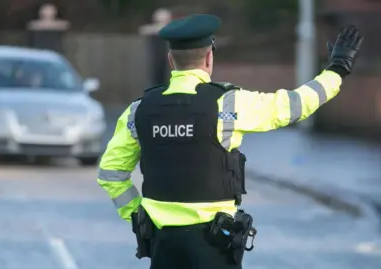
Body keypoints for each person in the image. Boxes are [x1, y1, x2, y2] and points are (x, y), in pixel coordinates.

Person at [96, 14, 364, 269]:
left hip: (162, 242)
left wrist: (137, 216)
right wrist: (336, 70)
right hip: (214, 243)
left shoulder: (138, 110)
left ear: (170, 60)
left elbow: (110, 173)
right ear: (209, 57)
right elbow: (294, 105)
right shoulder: (229, 103)